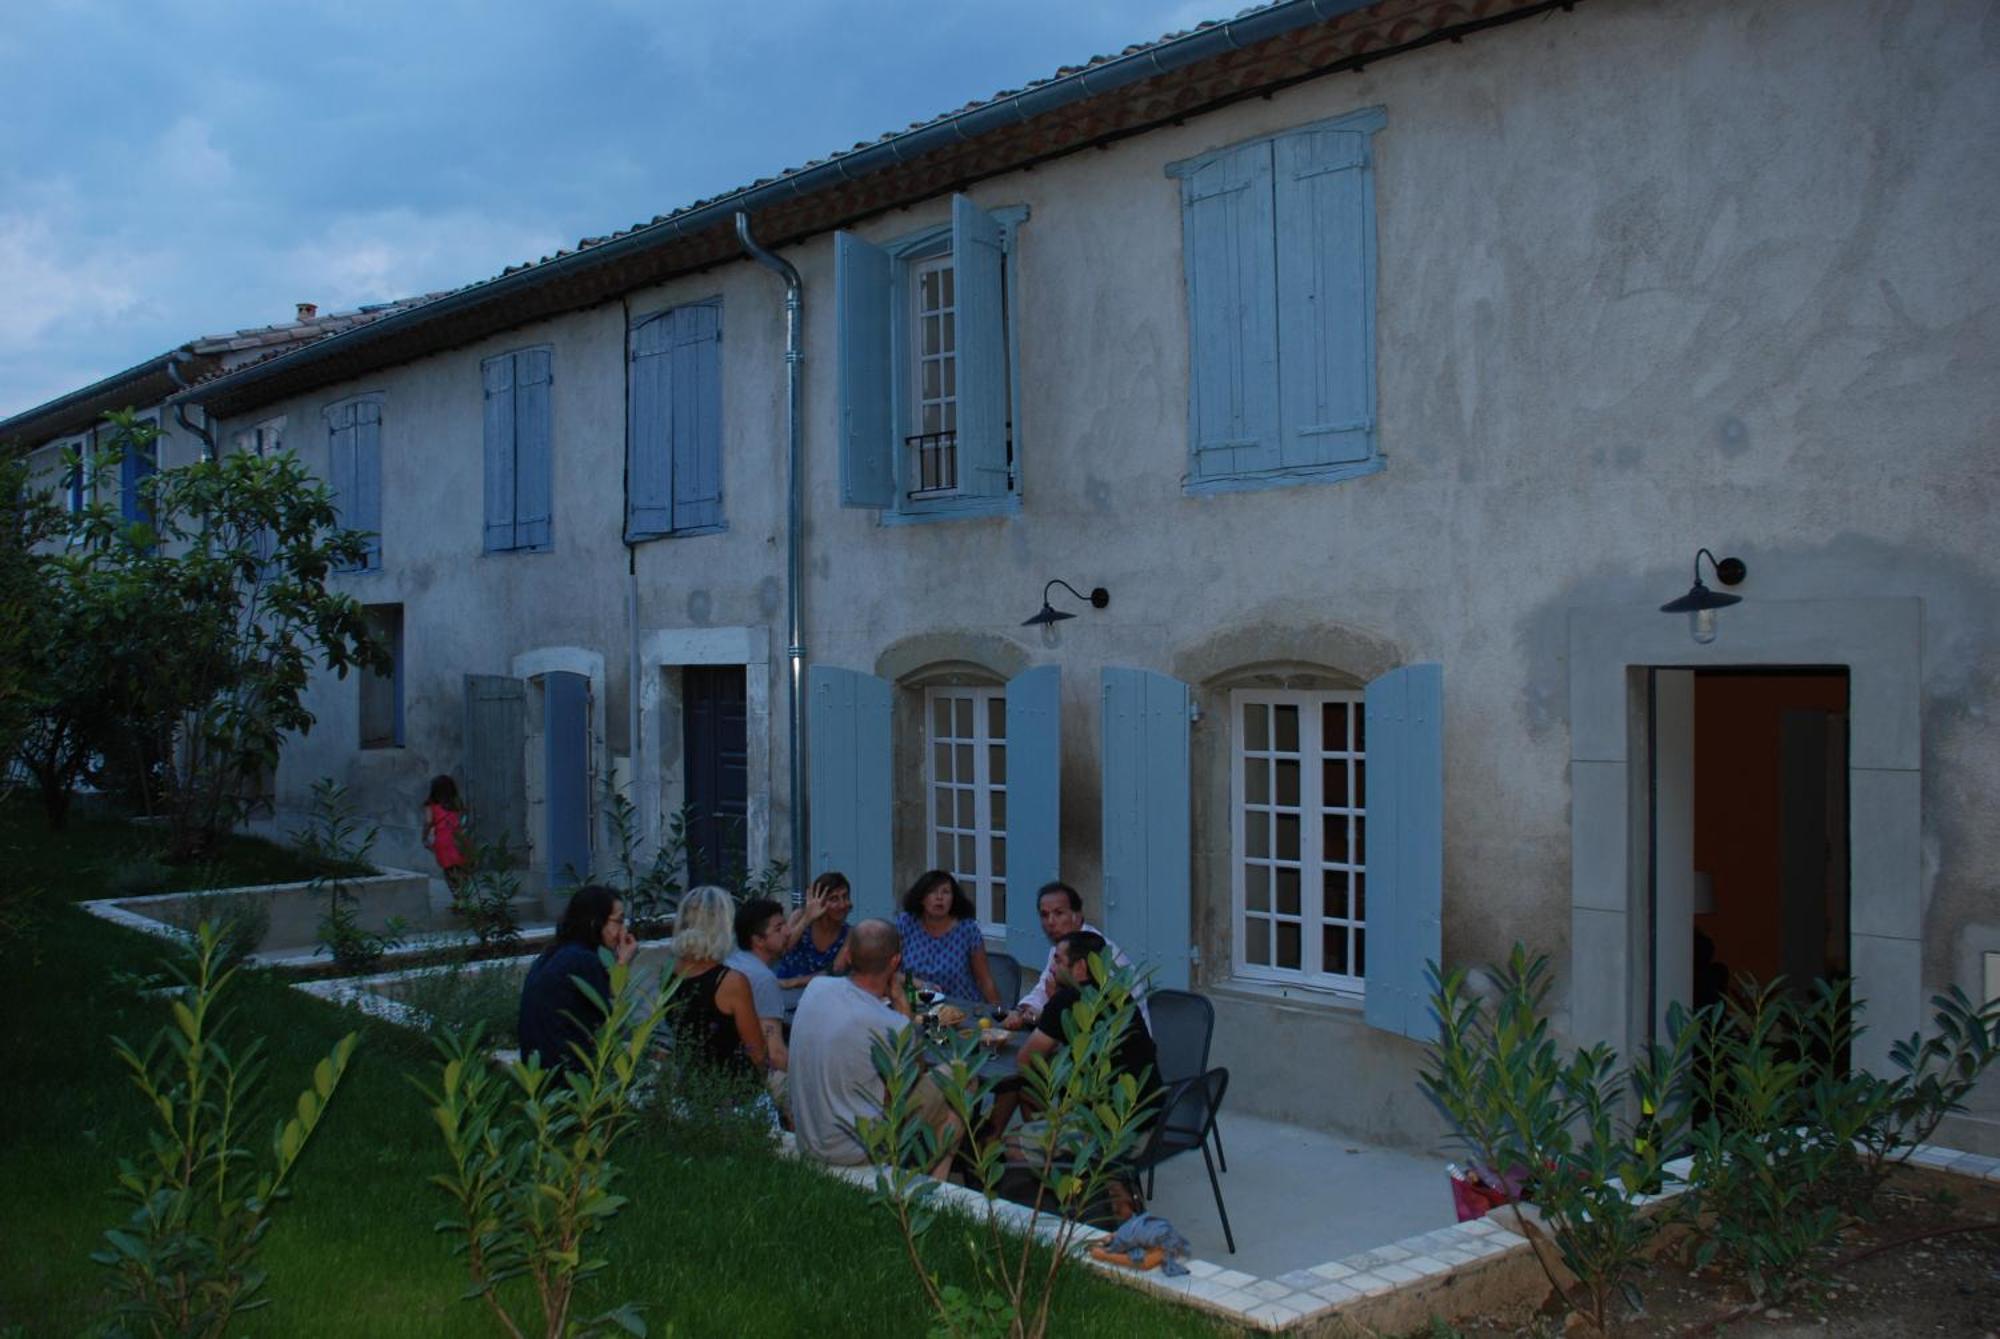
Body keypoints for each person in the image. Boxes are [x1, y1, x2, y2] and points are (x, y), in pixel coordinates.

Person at [788, 918, 958, 1176]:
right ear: (895, 962)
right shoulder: (892, 1025)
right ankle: (939, 1183)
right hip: (858, 1149)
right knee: (960, 1074)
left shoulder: (815, 988)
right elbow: (915, 1075)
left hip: (809, 1139)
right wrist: (903, 1007)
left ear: (847, 955)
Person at [989, 929, 1161, 1137]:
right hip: (1148, 1119)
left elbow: (1025, 1061)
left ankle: (1033, 1148)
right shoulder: (1118, 994)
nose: (1051, 968)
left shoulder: (1067, 1000)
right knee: (1028, 1087)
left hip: (1110, 1132)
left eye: (1058, 961)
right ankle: (1036, 1145)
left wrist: (1054, 1003)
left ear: (1080, 967)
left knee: (1009, 1145)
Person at [518, 884, 637, 1073]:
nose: (624, 930)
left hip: (538, 1068)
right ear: (594, 922)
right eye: (618, 921)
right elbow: (614, 1015)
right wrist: (622, 963)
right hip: (567, 1073)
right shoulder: (584, 961)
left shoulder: (553, 954)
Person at [1003, 881, 1146, 1031]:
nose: (1050, 922)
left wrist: (1049, 1010)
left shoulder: (1098, 952)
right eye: (1044, 915)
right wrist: (1020, 1012)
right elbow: (1042, 990)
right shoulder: (1062, 947)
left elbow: (1093, 1017)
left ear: (1077, 916)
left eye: (1058, 913)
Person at [663, 886, 767, 1086]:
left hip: (689, 1091)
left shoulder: (668, 973)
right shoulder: (732, 982)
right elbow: (757, 1053)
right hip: (732, 1095)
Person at [894, 870, 999, 1005]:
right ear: (921, 898)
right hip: (914, 1006)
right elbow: (888, 972)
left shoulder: (968, 929)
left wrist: (1001, 1015)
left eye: (945, 892)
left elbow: (985, 981)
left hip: (960, 1009)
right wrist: (920, 984)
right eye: (932, 892)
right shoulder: (905, 923)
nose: (939, 897)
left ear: (953, 898)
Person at [725, 896, 791, 1104]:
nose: (787, 932)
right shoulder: (762, 978)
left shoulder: (732, 961)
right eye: (779, 928)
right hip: (747, 1080)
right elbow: (776, 1054)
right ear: (758, 940)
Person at [773, 871, 854, 986]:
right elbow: (782, 949)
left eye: (845, 897)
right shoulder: (799, 917)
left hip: (818, 993)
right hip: (784, 992)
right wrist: (807, 919)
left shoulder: (849, 933)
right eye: (834, 899)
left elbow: (835, 970)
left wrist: (793, 982)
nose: (842, 905)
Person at [420, 774, 470, 899]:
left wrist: (424, 838)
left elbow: (428, 822)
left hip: (443, 840)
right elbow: (463, 819)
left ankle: (458, 898)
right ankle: (464, 896)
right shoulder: (457, 803)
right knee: (462, 868)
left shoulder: (431, 805)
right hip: (459, 839)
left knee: (449, 870)